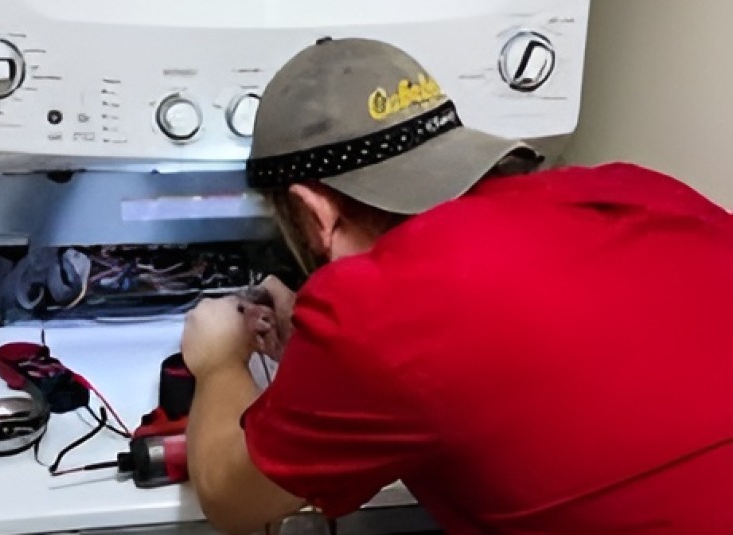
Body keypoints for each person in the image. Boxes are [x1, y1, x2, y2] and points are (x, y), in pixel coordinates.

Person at [180, 37, 733, 535]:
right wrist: (317, 352)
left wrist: (218, 361)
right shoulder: (642, 190)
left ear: (314, 210)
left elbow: (231, 501)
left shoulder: (376, 313)